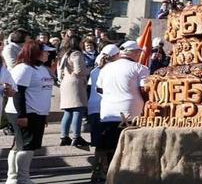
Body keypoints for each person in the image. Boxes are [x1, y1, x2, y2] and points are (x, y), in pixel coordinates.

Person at [5, 40, 55, 184]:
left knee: (21, 145)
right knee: (27, 145)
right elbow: (18, 93)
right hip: (24, 112)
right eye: (44, 51)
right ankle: (21, 178)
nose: (47, 53)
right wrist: (22, 115)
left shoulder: (42, 68)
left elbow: (43, 92)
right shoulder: (24, 68)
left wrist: (44, 114)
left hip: (37, 113)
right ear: (35, 52)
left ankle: (14, 178)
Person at [96, 41, 150, 171]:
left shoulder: (105, 68)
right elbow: (144, 90)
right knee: (130, 147)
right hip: (131, 112)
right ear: (135, 53)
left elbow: (99, 89)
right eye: (138, 53)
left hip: (108, 112)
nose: (139, 55)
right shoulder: (140, 68)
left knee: (108, 147)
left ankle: (105, 172)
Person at [88, 44, 119, 183]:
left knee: (99, 144)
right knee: (109, 144)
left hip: (93, 109)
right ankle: (106, 172)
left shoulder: (95, 70)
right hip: (106, 109)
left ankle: (97, 171)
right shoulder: (111, 71)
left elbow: (90, 88)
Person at [58, 36, 91, 148]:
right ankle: (76, 137)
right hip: (75, 84)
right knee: (78, 110)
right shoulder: (76, 54)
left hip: (65, 82)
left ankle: (64, 136)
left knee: (68, 111)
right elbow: (79, 70)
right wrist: (90, 69)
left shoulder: (64, 54)